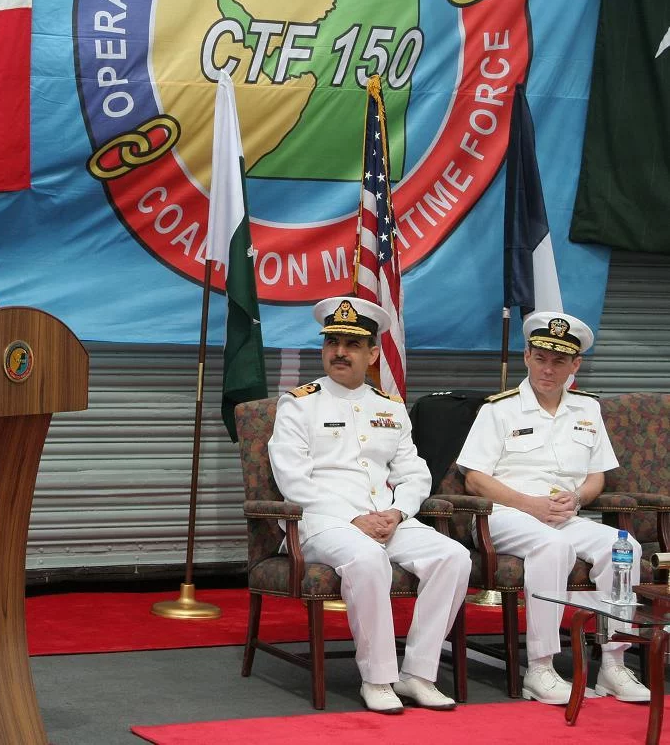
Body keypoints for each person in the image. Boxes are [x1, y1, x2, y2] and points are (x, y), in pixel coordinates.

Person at [268, 296, 471, 714]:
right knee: (365, 559)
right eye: (332, 343)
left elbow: (416, 473)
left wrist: (397, 513)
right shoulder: (298, 403)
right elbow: (291, 479)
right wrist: (353, 518)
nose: (339, 352)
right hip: (322, 522)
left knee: (453, 556)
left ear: (372, 353)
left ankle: (418, 674)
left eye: (352, 344)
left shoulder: (390, 408)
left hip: (386, 519)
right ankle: (378, 678)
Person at [457, 311, 649, 706]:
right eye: (541, 357)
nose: (548, 368)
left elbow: (598, 476)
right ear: (526, 356)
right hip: (504, 516)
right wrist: (530, 504)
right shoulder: (500, 408)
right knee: (552, 546)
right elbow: (474, 478)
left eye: (559, 360)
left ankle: (613, 664)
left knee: (623, 547)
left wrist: (577, 498)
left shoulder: (587, 409)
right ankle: (541, 667)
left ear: (575, 365)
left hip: (564, 516)